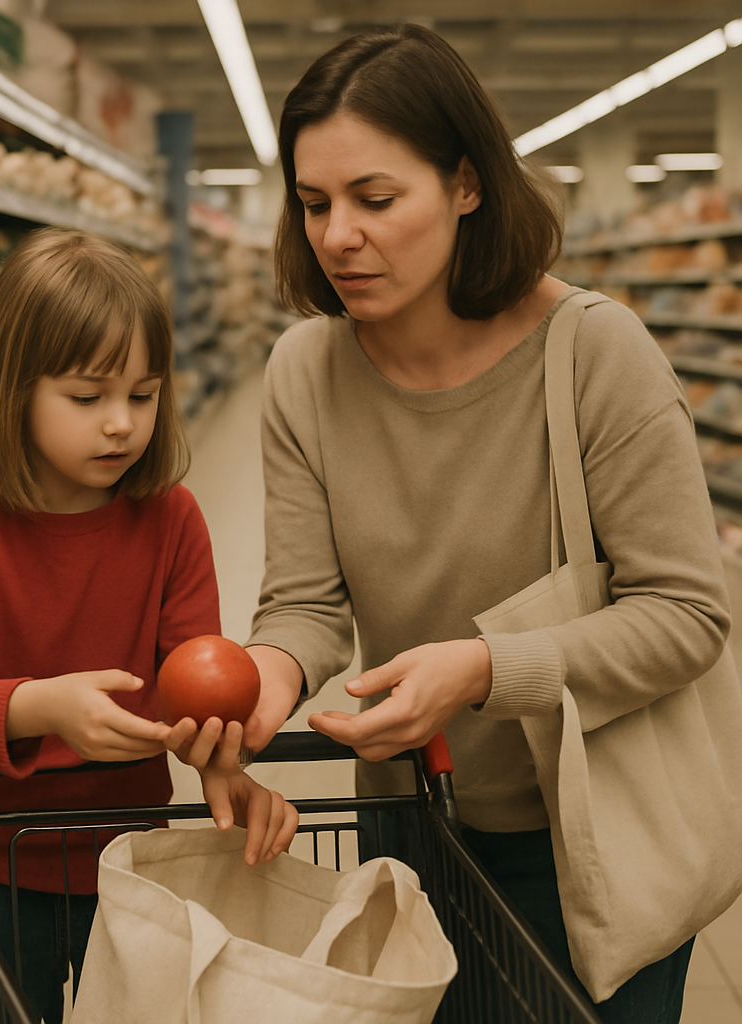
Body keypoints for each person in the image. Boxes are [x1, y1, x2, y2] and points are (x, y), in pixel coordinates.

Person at [238, 23, 734, 1024]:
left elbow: (686, 613)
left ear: (466, 184)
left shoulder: (595, 354)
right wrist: (267, 674)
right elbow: (302, 602)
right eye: (314, 203)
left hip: (594, 836)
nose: (338, 235)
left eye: (375, 200)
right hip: (411, 829)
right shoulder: (303, 370)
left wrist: (481, 668)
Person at [0, 228, 299, 1024]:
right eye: (87, 398)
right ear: (10, 390)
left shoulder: (171, 520)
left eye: (144, 393)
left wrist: (220, 761)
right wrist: (36, 708)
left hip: (135, 866)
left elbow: (191, 681)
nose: (123, 424)